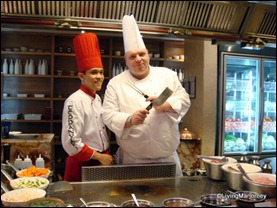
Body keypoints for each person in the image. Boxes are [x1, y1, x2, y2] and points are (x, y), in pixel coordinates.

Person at [102, 15, 191, 176]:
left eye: (141, 54)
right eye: (132, 56)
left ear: (148, 55)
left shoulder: (167, 76)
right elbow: (108, 115)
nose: (138, 59)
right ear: (126, 61)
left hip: (167, 159)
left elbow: (184, 99)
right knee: (135, 200)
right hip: (133, 160)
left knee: (171, 200)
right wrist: (129, 120)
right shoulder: (116, 83)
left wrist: (165, 106)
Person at [61, 32, 114, 182]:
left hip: (101, 161)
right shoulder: (74, 101)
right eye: (94, 72)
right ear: (81, 76)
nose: (99, 77)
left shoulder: (97, 98)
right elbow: (71, 142)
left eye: (101, 72)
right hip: (82, 164)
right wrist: (99, 156)